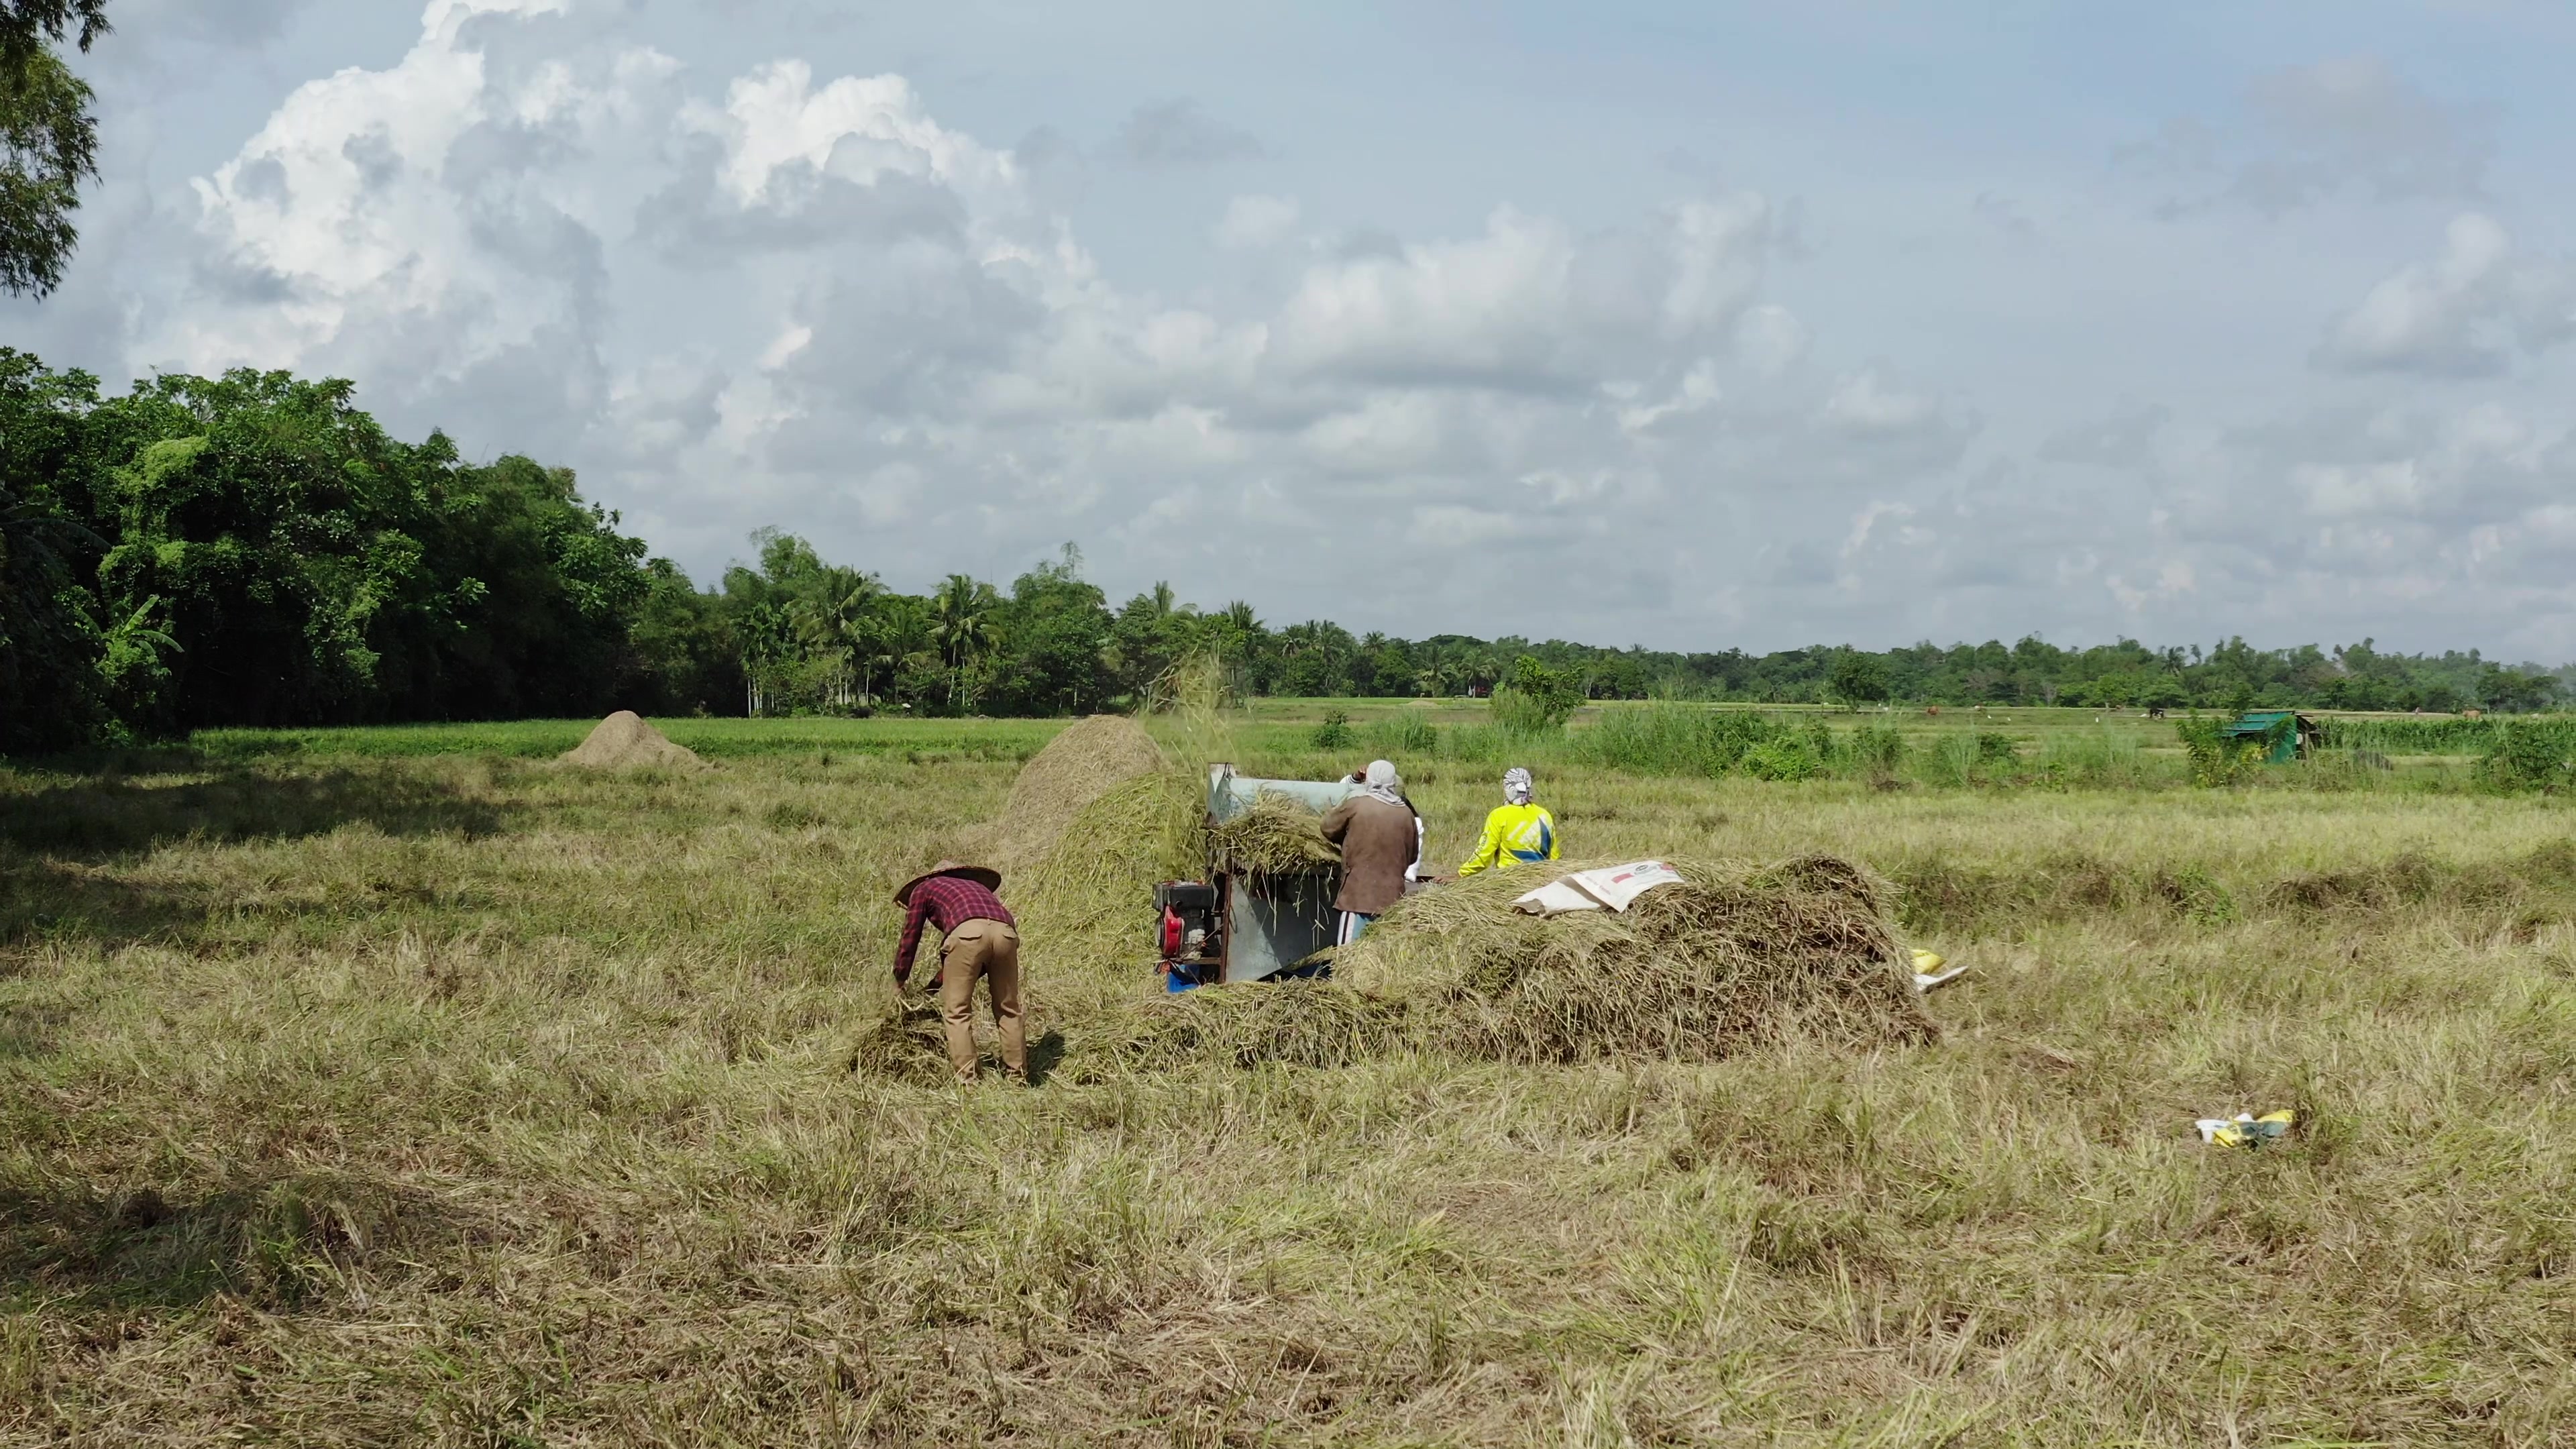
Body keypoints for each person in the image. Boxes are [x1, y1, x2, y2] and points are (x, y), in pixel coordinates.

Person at [892, 859, 1025, 1085]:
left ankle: (969, 1082)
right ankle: (1017, 1078)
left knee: (957, 1012)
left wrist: (899, 979)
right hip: (1006, 934)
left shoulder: (924, 888)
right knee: (1008, 1008)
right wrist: (931, 989)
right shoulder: (979, 889)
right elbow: (974, 954)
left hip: (966, 936)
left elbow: (911, 936)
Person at [1320, 759, 1418, 947]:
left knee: (1348, 955)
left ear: (1370, 780)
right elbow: (1412, 856)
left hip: (1358, 896)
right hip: (1393, 898)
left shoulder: (1357, 805)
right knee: (1379, 957)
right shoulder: (1406, 815)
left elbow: (1327, 828)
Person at [1456, 766, 1558, 876]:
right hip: (1541, 880)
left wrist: (1460, 874)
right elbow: (1554, 857)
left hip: (1510, 882)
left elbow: (1484, 855)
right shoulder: (1545, 815)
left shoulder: (1499, 815)